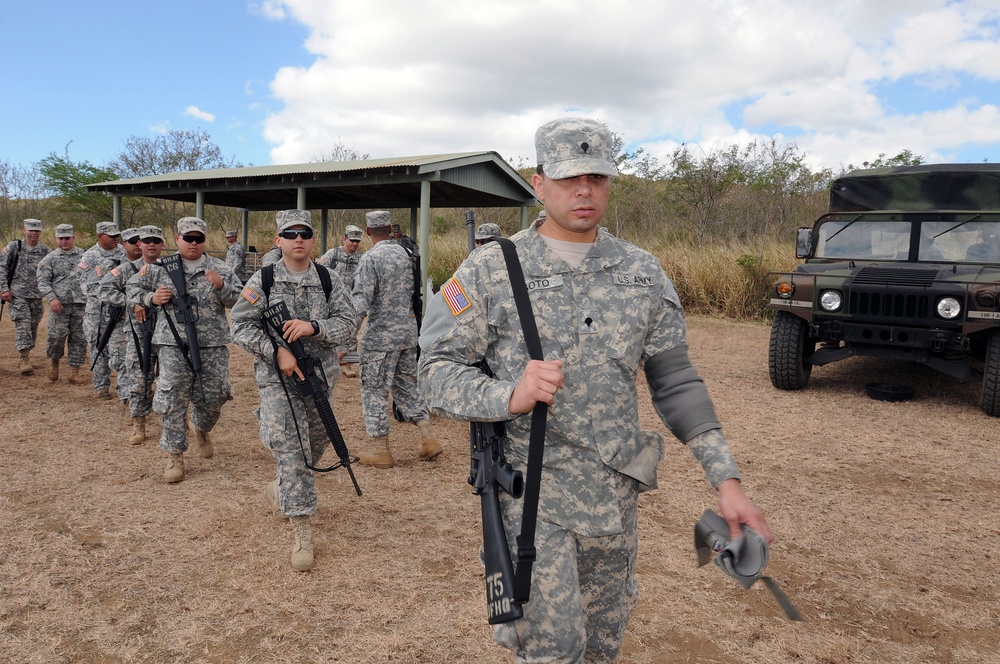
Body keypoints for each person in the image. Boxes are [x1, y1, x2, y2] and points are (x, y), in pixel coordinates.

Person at [417, 117, 773, 662]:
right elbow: (433, 370)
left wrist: (726, 479)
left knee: (604, 646)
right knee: (555, 651)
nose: (585, 190)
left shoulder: (642, 272)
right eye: (568, 178)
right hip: (535, 501)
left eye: (598, 178)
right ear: (538, 183)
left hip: (615, 499)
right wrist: (506, 395)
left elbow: (676, 382)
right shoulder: (491, 270)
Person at [230, 209, 358, 571]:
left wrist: (314, 327)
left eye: (304, 233)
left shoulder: (328, 279)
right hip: (278, 380)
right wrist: (277, 351)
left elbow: (349, 325)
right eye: (290, 233)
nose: (298, 239)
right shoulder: (264, 279)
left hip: (319, 380)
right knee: (289, 445)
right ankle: (302, 528)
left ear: (313, 239)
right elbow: (240, 325)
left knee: (316, 442)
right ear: (278, 241)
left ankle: (282, 487)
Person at [127, 216, 240, 483]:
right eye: (187, 238)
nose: (193, 243)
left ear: (204, 241)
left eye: (198, 238)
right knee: (172, 400)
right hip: (172, 344)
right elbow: (132, 288)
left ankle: (200, 427)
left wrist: (222, 286)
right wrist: (150, 298)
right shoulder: (157, 268)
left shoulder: (220, 268)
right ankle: (175, 456)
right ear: (177, 238)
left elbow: (241, 299)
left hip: (211, 345)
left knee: (216, 397)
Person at [353, 210, 441, 468]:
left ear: (368, 232)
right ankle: (428, 437)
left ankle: (381, 451)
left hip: (380, 336)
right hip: (407, 331)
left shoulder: (370, 259)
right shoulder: (406, 255)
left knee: (374, 391)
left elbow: (360, 302)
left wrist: (345, 341)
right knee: (406, 386)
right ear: (391, 228)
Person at [101, 225, 164, 445]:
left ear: (162, 244)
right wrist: (133, 302)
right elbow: (104, 289)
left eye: (156, 240)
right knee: (139, 379)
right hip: (138, 333)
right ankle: (139, 422)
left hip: (168, 335)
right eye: (147, 241)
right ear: (140, 244)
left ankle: (176, 419)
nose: (151, 244)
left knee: (170, 380)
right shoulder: (127, 269)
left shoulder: (170, 269)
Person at [94, 227, 143, 416]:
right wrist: (129, 302)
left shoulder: (155, 266)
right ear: (124, 245)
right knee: (123, 363)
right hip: (120, 323)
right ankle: (128, 403)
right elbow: (96, 288)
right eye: (133, 241)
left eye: (142, 240)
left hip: (147, 324)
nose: (138, 244)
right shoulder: (112, 265)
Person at [77, 221, 125, 399]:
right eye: (112, 236)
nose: (116, 239)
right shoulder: (90, 256)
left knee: (121, 348)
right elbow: (84, 285)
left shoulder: (123, 252)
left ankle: (124, 387)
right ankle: (102, 385)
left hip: (119, 310)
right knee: (98, 347)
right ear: (100, 236)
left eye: (117, 235)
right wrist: (107, 294)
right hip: (97, 312)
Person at [35, 224, 86, 384]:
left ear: (73, 238)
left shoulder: (84, 256)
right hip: (60, 305)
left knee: (79, 339)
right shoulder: (49, 259)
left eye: (67, 238)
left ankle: (74, 371)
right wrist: (52, 298)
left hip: (81, 304)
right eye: (61, 238)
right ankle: (54, 360)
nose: (64, 241)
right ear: (56, 239)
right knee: (56, 336)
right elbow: (42, 280)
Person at [0, 218, 51, 374]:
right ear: (24, 230)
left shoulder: (44, 250)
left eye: (36, 230)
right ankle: (24, 359)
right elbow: (1, 268)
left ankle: (27, 354)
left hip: (36, 295)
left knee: (33, 327)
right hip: (17, 294)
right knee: (23, 324)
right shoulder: (14, 247)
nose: (34, 233)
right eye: (31, 230)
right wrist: (4, 289)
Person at [317, 224, 364, 377]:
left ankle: (347, 365)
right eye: (351, 240)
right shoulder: (333, 254)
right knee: (329, 333)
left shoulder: (361, 258)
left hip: (352, 302)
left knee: (351, 334)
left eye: (357, 241)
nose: (354, 244)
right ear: (344, 238)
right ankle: (328, 363)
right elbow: (319, 271)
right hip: (332, 300)